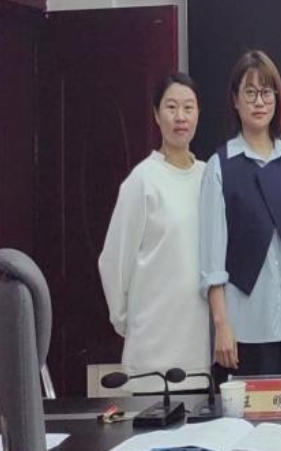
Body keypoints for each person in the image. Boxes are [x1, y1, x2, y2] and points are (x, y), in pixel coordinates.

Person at [199, 50, 281, 381]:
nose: (259, 102)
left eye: (266, 92)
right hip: (241, 328)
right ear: (235, 100)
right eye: (250, 92)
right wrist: (221, 325)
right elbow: (211, 259)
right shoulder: (220, 165)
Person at [98, 72, 210, 386]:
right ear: (156, 115)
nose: (180, 117)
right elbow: (114, 260)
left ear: (198, 114)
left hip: (197, 345)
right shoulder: (142, 180)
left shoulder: (208, 177)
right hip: (151, 342)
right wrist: (126, 321)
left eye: (188, 107)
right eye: (171, 107)